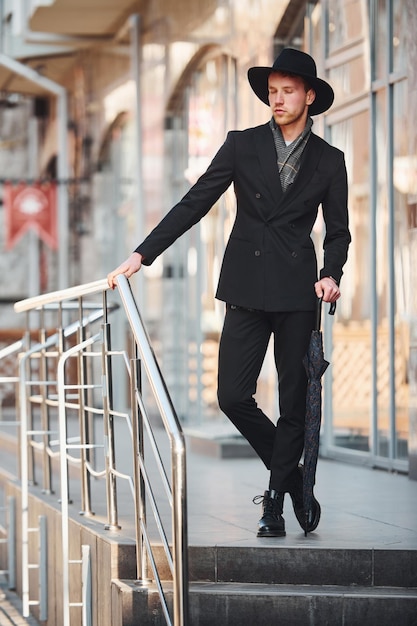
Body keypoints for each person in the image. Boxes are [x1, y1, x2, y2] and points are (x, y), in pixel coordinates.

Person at [107, 48, 351, 538]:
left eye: (287, 91)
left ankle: (276, 502)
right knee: (232, 396)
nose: (276, 99)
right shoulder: (241, 145)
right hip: (244, 287)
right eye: (272, 91)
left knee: (293, 403)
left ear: (309, 96)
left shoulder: (329, 160)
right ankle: (297, 478)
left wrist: (331, 272)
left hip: (298, 293)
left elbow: (339, 230)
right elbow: (195, 201)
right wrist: (143, 254)